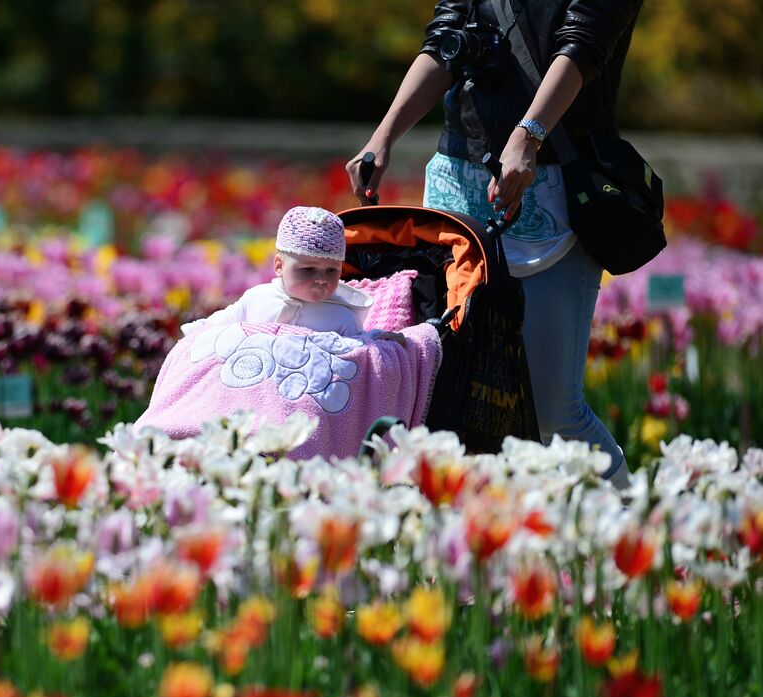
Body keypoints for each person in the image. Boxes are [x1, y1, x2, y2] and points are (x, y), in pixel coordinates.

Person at [347, 0, 643, 487]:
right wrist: (383, 136)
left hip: (556, 187)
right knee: (444, 390)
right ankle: (464, 545)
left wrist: (528, 136)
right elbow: (443, 42)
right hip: (457, 186)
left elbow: (584, 44)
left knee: (553, 409)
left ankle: (638, 531)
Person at [182, 206, 405, 343]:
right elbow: (223, 322)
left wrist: (379, 340)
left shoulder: (342, 317)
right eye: (308, 269)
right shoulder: (257, 298)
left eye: (332, 271)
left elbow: (359, 350)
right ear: (279, 266)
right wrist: (194, 332)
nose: (321, 279)